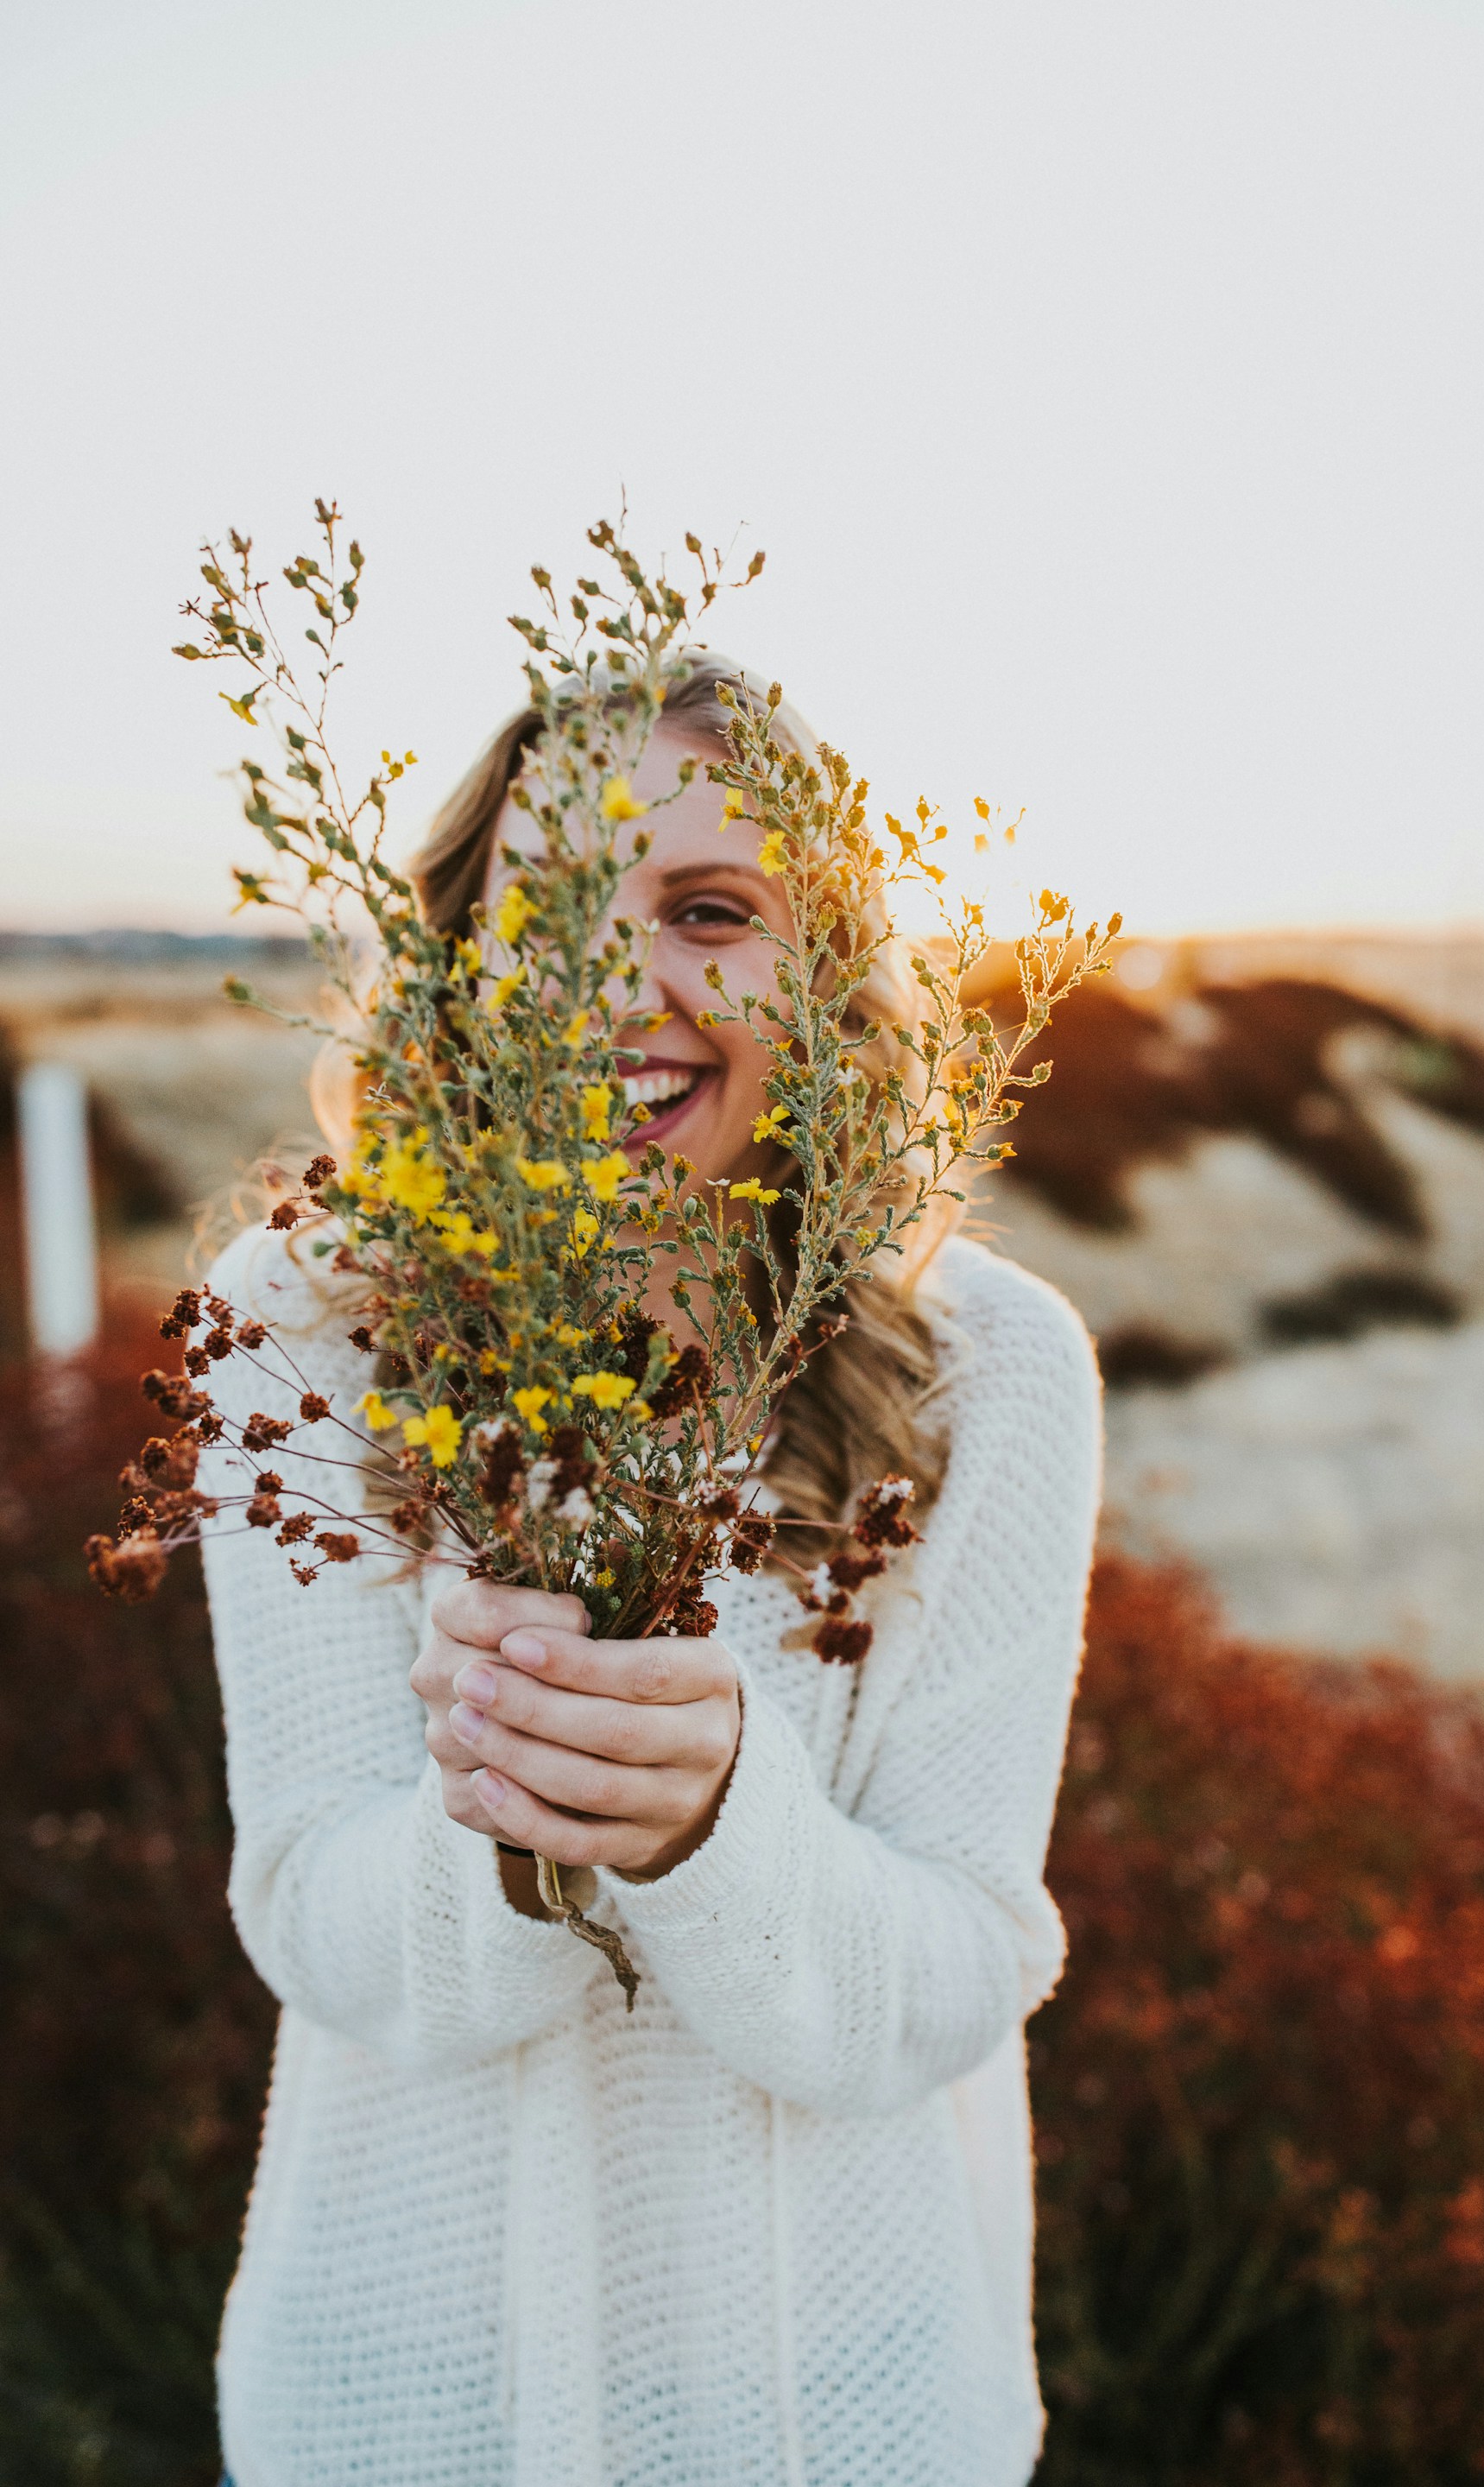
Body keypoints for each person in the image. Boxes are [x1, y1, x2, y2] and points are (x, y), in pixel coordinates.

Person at [201, 656, 1102, 2487]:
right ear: (456, 969)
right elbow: (309, 1909)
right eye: (541, 913)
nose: (619, 981)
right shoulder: (301, 1325)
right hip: (394, 2405)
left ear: (830, 970)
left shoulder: (995, 1372)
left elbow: (954, 1965)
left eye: (710, 910)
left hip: (832, 2411)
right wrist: (511, 1816)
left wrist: (717, 1821)